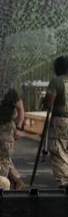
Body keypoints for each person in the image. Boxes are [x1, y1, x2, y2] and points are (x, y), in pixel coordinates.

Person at [0, 88, 26, 188]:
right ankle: (17, 180)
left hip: (7, 127)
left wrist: (19, 127)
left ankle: (2, 184)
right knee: (0, 156)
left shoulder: (11, 91)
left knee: (4, 159)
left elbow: (20, 109)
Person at [43, 55, 68, 189]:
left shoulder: (56, 82)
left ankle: (64, 183)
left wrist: (45, 101)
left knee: (58, 150)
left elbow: (49, 102)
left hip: (61, 120)